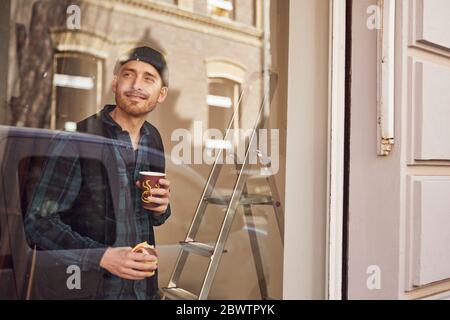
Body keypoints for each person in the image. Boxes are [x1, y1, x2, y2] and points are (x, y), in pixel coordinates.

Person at [24, 46, 171, 300]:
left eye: (148, 78)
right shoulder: (78, 140)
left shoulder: (153, 139)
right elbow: (38, 223)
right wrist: (101, 256)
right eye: (128, 74)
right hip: (91, 291)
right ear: (115, 83)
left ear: (161, 94)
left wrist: (161, 210)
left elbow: (149, 218)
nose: (136, 84)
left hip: (142, 291)